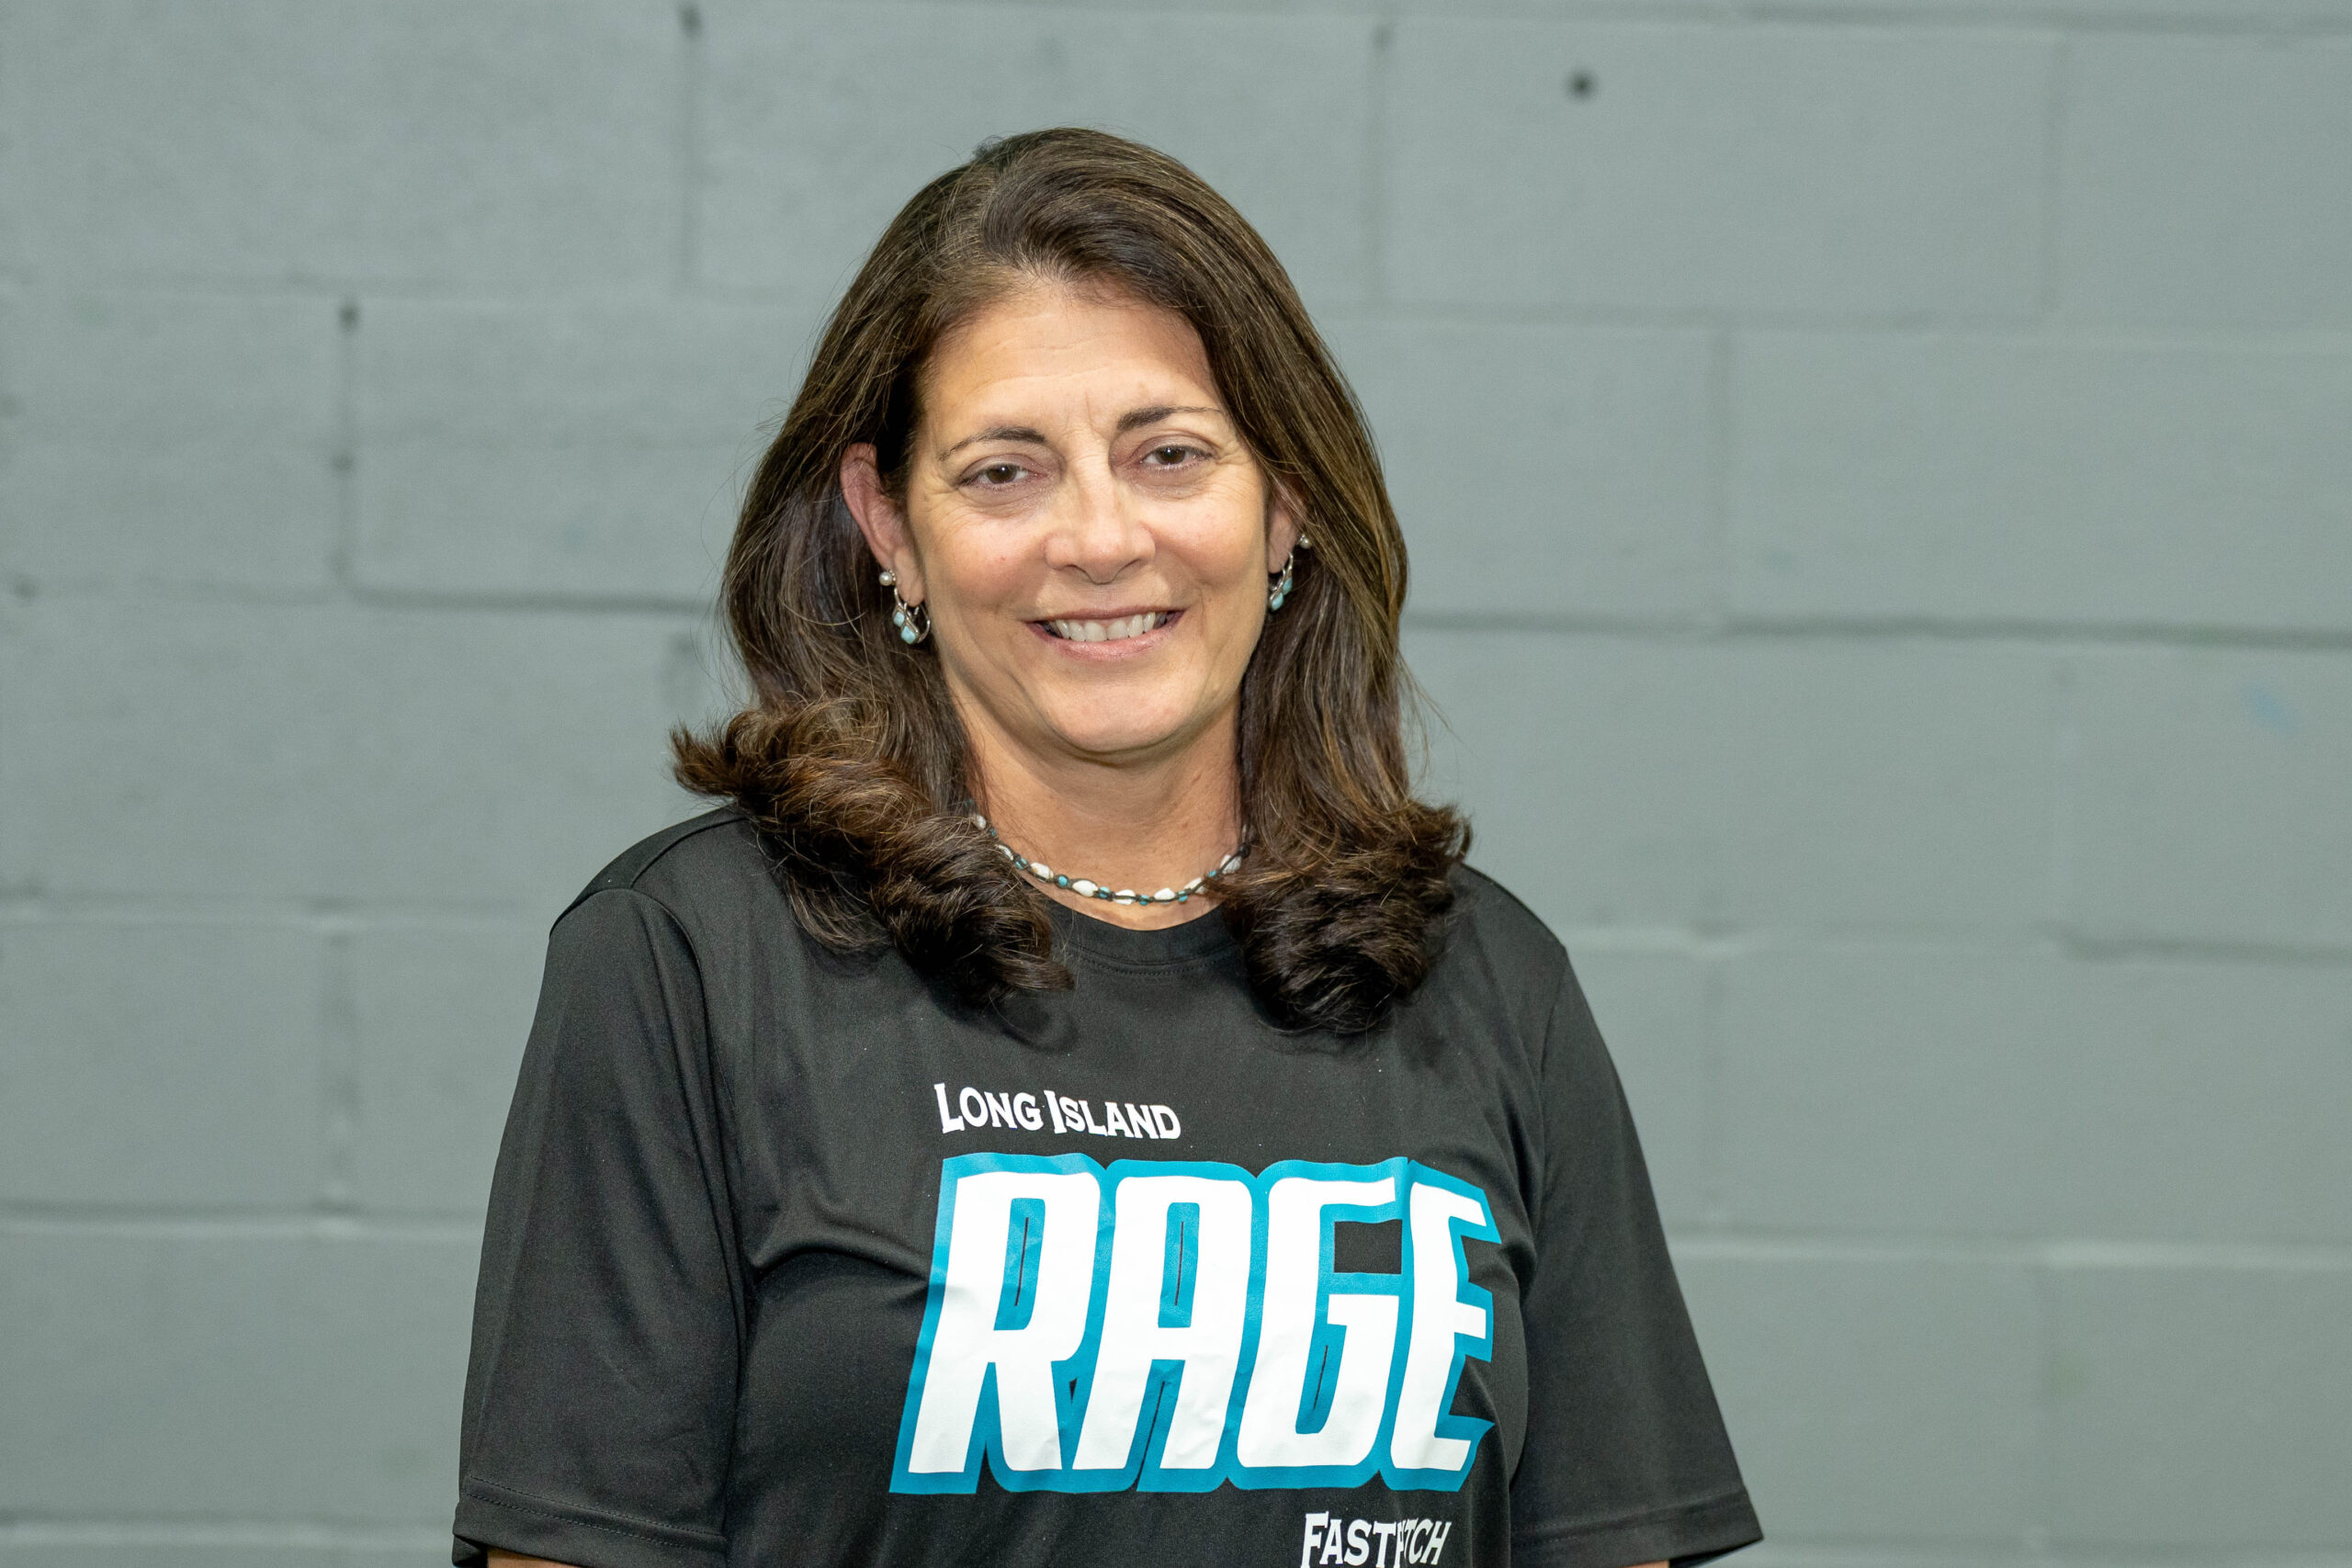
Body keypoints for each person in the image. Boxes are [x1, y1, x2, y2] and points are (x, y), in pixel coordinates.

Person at [451, 128, 1760, 1568]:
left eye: (1170, 455)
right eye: (1003, 473)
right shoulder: (693, 960)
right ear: (890, 527)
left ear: (1287, 501)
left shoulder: (1489, 980)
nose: (1097, 537)